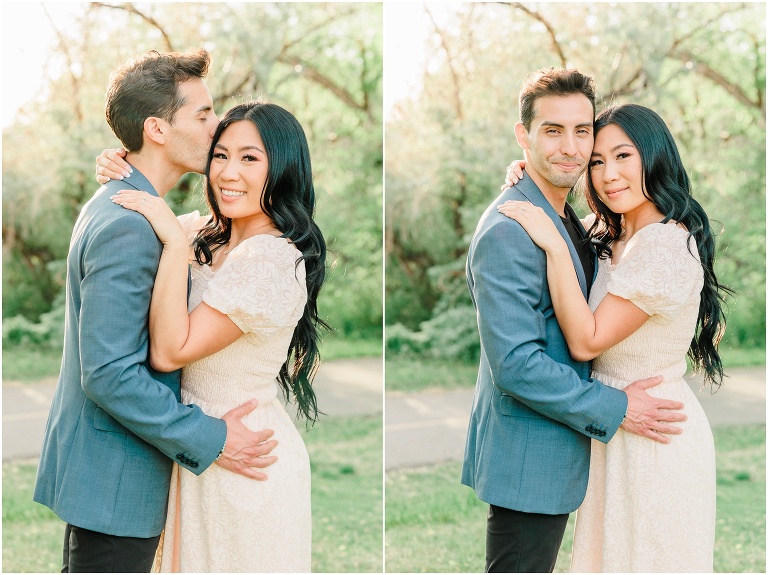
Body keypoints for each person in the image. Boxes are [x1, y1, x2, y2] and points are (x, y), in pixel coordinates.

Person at [34, 49, 279, 573]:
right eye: (203, 115)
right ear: (157, 129)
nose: (216, 128)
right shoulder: (129, 222)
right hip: (115, 480)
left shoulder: (131, 203)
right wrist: (211, 437)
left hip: (116, 479)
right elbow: (110, 373)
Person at [461, 68, 689, 573]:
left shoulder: (575, 222)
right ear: (524, 137)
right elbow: (517, 364)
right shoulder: (510, 229)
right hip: (531, 453)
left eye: (581, 131)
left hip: (603, 447)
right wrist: (615, 407)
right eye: (551, 130)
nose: (571, 147)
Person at [498, 103, 727, 572]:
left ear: (655, 155)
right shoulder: (610, 234)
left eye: (623, 156)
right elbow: (556, 220)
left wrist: (553, 241)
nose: (608, 174)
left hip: (657, 433)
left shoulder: (664, 246)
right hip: (614, 431)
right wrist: (531, 180)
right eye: (598, 161)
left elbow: (587, 341)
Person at [106, 100, 327, 572]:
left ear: (283, 169)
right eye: (221, 155)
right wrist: (117, 163)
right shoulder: (204, 234)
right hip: (200, 450)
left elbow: (170, 352)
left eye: (250, 158)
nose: (228, 172)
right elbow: (140, 198)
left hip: (246, 465)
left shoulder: (271, 260)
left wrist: (171, 241)